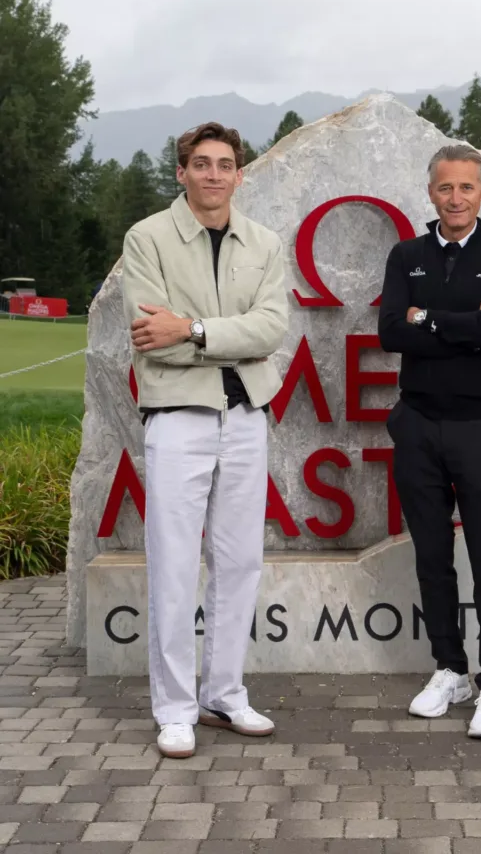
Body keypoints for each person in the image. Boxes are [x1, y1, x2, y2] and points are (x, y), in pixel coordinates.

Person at [122, 122, 288, 758]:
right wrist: (221, 338)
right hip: (176, 418)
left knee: (240, 559)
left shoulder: (265, 242)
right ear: (181, 172)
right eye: (202, 164)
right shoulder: (148, 237)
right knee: (172, 561)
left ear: (240, 175)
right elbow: (148, 334)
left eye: (225, 164)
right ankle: (173, 707)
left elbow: (270, 329)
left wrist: (189, 329)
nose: (214, 174)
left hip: (246, 416)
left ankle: (224, 692)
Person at [378, 144, 481, 740]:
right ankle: (450, 668)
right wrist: (446, 322)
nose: (456, 198)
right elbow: (390, 330)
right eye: (446, 188)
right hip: (418, 424)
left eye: (467, 187)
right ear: (431, 192)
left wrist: (426, 318)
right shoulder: (406, 254)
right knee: (432, 557)